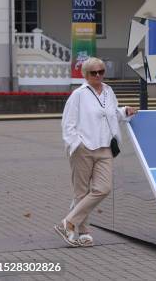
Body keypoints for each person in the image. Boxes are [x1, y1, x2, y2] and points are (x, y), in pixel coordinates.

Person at [55, 57, 138, 247]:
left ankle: (68, 222)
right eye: (94, 72)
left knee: (103, 188)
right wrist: (77, 144)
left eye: (101, 71)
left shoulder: (108, 91)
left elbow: (112, 113)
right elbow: (68, 124)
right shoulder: (78, 95)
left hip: (105, 148)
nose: (98, 75)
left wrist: (125, 111)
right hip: (83, 149)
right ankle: (83, 232)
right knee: (81, 192)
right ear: (85, 75)